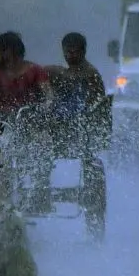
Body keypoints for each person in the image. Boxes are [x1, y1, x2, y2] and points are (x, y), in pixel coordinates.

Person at [0, 32, 55, 213]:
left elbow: (48, 95)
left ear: (10, 51)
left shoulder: (35, 70)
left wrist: (44, 106)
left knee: (44, 145)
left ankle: (40, 190)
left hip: (29, 121)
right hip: (3, 124)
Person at [45, 32, 108, 177]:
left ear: (83, 52)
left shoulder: (90, 73)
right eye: (67, 52)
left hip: (80, 118)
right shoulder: (67, 71)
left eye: (74, 52)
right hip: (67, 115)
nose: (70, 56)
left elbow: (94, 101)